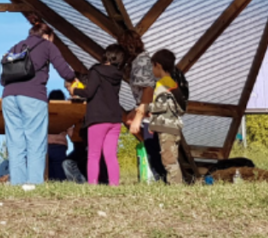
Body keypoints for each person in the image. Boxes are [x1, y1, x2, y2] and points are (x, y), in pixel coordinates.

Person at [1, 15, 76, 186]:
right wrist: (74, 78)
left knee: (15, 143)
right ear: (47, 36)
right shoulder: (47, 45)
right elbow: (66, 72)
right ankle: (34, 184)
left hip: (9, 97)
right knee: (36, 141)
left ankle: (17, 184)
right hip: (33, 96)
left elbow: (2, 78)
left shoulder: (15, 47)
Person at [72, 45, 125, 186]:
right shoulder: (118, 75)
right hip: (115, 119)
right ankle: (114, 185)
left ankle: (93, 185)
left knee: (94, 155)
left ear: (106, 55)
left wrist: (75, 90)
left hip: (98, 118)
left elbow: (89, 92)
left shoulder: (96, 71)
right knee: (111, 155)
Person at [122, 31, 166, 183]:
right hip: (150, 112)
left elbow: (148, 89)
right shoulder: (142, 61)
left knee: (155, 154)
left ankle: (164, 184)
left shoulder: (140, 62)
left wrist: (138, 117)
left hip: (152, 115)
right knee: (154, 152)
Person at [149, 49, 189, 185]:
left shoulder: (162, 84)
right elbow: (180, 107)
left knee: (168, 160)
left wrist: (147, 108)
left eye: (152, 66)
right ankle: (174, 184)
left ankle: (175, 186)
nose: (152, 70)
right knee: (172, 158)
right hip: (174, 127)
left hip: (166, 128)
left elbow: (163, 105)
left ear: (158, 66)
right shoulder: (174, 84)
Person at [46, 89, 70, 181]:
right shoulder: (65, 113)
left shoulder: (44, 111)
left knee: (47, 173)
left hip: (44, 145)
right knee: (60, 174)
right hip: (60, 146)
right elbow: (72, 133)